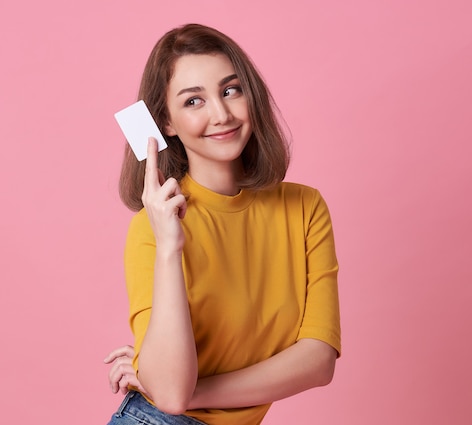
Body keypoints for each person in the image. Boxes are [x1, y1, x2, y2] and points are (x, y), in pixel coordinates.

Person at [104, 23, 341, 425]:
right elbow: (171, 397)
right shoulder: (153, 228)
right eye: (193, 101)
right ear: (167, 123)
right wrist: (169, 246)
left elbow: (318, 360)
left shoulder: (305, 207)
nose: (221, 114)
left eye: (230, 90)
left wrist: (188, 390)